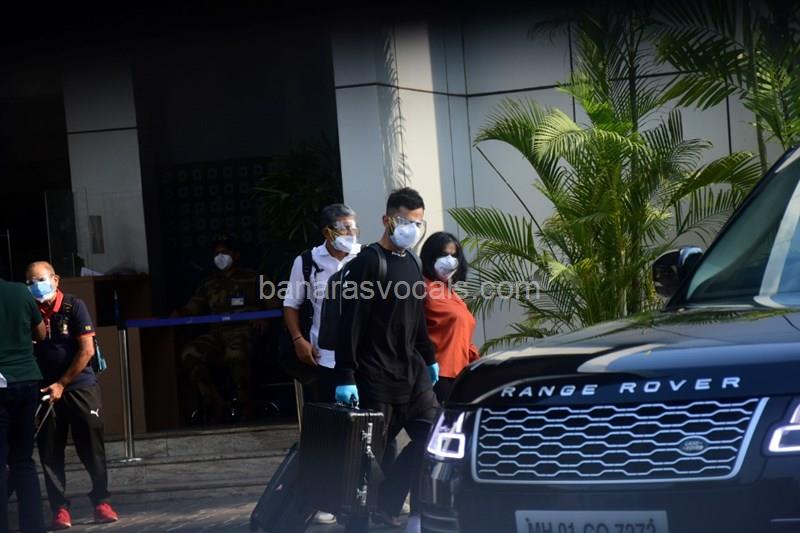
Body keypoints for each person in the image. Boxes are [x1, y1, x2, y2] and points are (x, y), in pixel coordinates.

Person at [334, 187, 439, 529]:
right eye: (405, 222)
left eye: (418, 223)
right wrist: (345, 374)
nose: (412, 229)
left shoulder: (413, 261)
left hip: (413, 373)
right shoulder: (368, 262)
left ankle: (389, 500)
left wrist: (429, 356)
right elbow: (350, 322)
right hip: (376, 375)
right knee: (367, 460)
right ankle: (358, 521)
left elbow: (417, 317)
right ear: (387, 220)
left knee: (434, 439)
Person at [24, 261, 118, 530]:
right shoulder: (28, 311)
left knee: (91, 443)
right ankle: (60, 508)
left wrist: (62, 383)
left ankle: (101, 501)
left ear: (55, 280)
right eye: (29, 283)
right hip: (45, 389)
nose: (36, 287)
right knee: (49, 450)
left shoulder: (73, 306)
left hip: (78, 386)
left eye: (40, 280)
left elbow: (87, 350)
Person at [283, 203, 360, 525]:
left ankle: (362, 495)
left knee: (365, 430)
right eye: (344, 228)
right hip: (324, 360)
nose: (351, 233)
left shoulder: (363, 258)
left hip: (362, 359)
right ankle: (326, 500)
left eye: (353, 227)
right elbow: (291, 303)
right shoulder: (307, 262)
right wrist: (298, 340)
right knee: (329, 432)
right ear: (327, 231)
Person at [176, 236, 278, 422]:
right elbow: (192, 307)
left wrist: (264, 318)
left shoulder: (257, 278)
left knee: (235, 354)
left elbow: (275, 306)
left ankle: (245, 403)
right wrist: (176, 314)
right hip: (218, 334)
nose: (220, 257)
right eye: (217, 253)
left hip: (245, 332)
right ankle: (214, 402)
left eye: (225, 252)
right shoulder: (208, 283)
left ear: (236, 255)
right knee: (189, 353)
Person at [0, 276, 46, 533]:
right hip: (27, 379)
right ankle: (34, 526)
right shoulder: (20, 292)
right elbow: (41, 333)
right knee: (23, 460)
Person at [420, 232, 480, 403]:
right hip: (436, 376)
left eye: (454, 255)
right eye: (444, 254)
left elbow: (464, 337)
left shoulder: (451, 293)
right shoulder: (421, 288)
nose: (450, 260)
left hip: (461, 375)